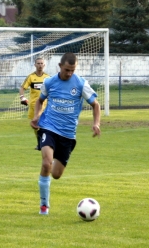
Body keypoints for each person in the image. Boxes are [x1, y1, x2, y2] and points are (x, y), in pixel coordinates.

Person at [30, 52, 101, 215]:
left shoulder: (81, 84)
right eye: (67, 70)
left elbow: (96, 105)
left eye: (73, 70)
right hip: (49, 127)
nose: (69, 73)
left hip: (68, 134)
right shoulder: (49, 82)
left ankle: (50, 173)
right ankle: (44, 205)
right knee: (47, 162)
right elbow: (40, 100)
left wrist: (96, 124)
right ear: (60, 66)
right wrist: (37, 116)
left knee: (55, 174)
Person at [19, 58, 50, 150]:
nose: (40, 65)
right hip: (33, 105)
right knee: (35, 126)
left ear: (44, 65)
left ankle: (42, 144)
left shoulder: (48, 77)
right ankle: (39, 143)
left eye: (42, 63)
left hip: (45, 105)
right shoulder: (31, 77)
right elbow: (22, 88)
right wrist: (22, 97)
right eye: (38, 63)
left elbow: (53, 89)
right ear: (35, 65)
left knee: (43, 124)